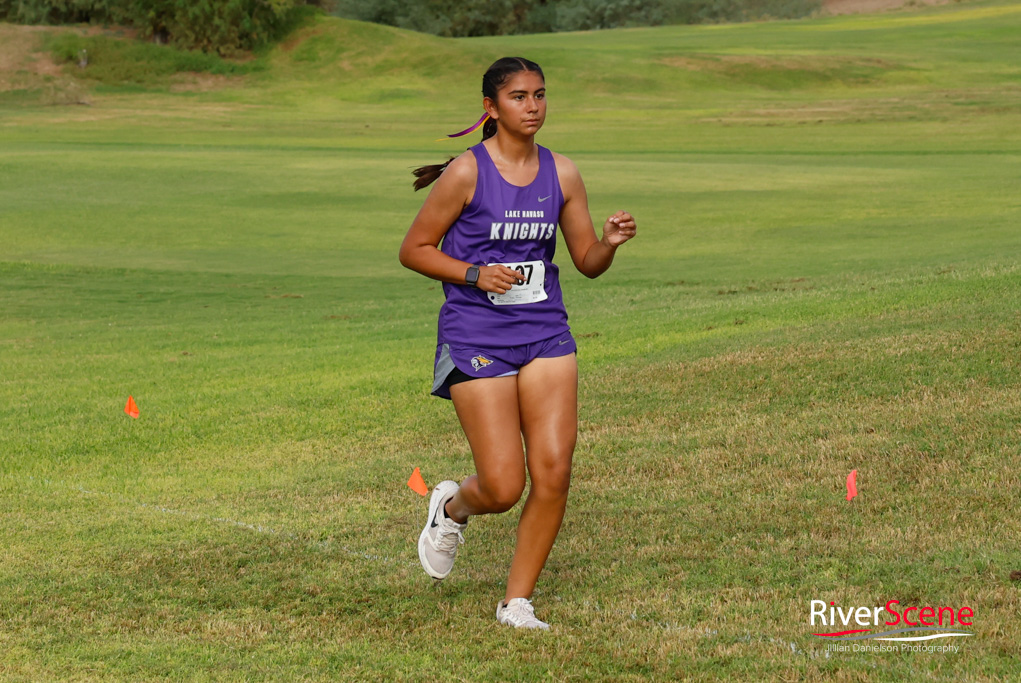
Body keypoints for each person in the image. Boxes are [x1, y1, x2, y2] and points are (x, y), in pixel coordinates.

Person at [398, 56, 637, 630]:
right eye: (518, 97)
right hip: (477, 334)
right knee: (504, 485)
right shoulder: (467, 173)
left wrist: (608, 243)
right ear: (491, 108)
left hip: (546, 333)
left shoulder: (564, 173)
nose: (532, 107)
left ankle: (516, 602)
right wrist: (476, 274)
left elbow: (587, 263)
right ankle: (451, 508)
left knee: (553, 472)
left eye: (540, 95)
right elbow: (414, 250)